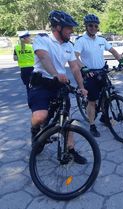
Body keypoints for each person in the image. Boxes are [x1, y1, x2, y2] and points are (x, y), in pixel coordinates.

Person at [28, 10, 88, 164]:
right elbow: (43, 57)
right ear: (58, 27)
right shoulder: (43, 40)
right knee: (40, 117)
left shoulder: (69, 45)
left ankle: (70, 150)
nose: (72, 31)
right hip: (41, 83)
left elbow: (75, 68)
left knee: (66, 119)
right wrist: (55, 73)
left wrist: (82, 87)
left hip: (59, 85)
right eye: (69, 28)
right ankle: (35, 131)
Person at [74, 14, 123, 137]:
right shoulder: (81, 41)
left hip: (102, 71)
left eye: (95, 26)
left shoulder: (101, 40)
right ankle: (92, 125)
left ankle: (104, 117)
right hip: (89, 73)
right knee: (92, 102)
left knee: (105, 96)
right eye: (90, 25)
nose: (93, 28)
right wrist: (83, 68)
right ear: (86, 26)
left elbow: (113, 51)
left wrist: (121, 60)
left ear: (98, 27)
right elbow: (74, 57)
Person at [13, 31, 34, 95]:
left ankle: (30, 101)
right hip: (33, 68)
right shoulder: (32, 46)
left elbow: (15, 58)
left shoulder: (16, 47)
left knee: (28, 87)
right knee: (36, 86)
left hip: (23, 70)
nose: (30, 38)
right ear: (25, 38)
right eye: (29, 37)